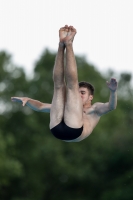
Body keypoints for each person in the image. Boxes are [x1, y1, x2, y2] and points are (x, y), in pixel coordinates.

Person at [11, 25, 118, 142]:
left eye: (82, 93)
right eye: (79, 92)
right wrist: (27, 100)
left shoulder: (95, 109)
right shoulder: (67, 106)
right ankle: (61, 45)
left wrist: (113, 92)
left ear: (90, 97)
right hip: (56, 129)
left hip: (75, 131)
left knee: (71, 86)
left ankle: (69, 44)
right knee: (59, 86)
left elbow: (111, 106)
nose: (79, 95)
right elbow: (41, 106)